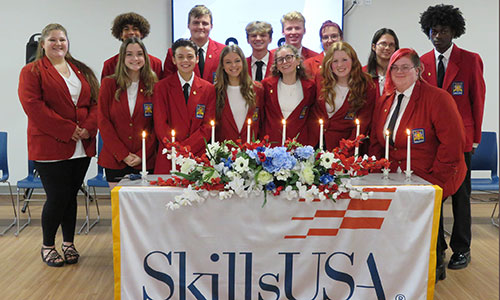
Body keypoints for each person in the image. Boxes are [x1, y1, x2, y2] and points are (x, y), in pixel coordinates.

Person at [368, 48, 467, 282]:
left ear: (418, 70)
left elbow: (452, 144)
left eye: (405, 67)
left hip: (429, 174)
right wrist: (375, 172)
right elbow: (375, 140)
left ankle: (435, 261)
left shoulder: (438, 98)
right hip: (393, 175)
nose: (399, 72)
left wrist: (435, 182)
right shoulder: (386, 100)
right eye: (395, 67)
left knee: (425, 223)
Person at [18, 23, 99, 267]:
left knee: (71, 195)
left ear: (68, 43)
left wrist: (88, 127)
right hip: (50, 144)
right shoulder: (31, 71)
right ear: (42, 44)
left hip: (80, 145)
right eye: (52, 40)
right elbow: (34, 107)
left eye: (62, 40)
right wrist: (68, 129)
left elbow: (95, 102)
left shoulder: (80, 70)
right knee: (57, 197)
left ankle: (69, 243)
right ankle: (48, 246)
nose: (58, 44)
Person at [419, 4, 486, 271]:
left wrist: (476, 137)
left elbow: (477, 100)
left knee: (461, 195)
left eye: (443, 31)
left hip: (462, 140)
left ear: (454, 31)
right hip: (432, 143)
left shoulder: (470, 60)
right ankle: (437, 250)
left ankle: (462, 249)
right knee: (434, 195)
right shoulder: (421, 62)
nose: (437, 36)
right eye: (433, 31)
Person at [98, 37, 158, 188]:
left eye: (139, 54)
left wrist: (141, 154)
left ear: (145, 57)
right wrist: (123, 154)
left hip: (145, 160)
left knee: (144, 209)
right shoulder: (109, 84)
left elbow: (156, 126)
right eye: (129, 54)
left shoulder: (155, 86)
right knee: (119, 210)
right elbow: (103, 122)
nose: (135, 58)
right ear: (122, 57)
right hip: (115, 159)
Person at [153, 39, 216, 173]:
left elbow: (207, 126)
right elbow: (160, 123)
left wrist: (186, 148)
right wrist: (175, 148)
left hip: (197, 154)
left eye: (190, 56)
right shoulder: (161, 87)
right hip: (170, 154)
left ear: (197, 59)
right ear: (174, 60)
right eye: (180, 57)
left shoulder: (208, 88)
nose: (185, 61)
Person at [309, 41, 376, 153]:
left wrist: (345, 149)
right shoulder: (321, 78)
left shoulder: (366, 84)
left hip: (345, 149)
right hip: (315, 143)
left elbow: (363, 123)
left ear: (353, 60)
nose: (340, 65)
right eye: (335, 61)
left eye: (344, 60)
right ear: (329, 63)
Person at [261, 44, 315, 145]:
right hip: (272, 146)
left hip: (299, 146)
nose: (284, 62)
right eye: (280, 59)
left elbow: (312, 117)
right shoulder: (267, 85)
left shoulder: (310, 87)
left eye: (289, 58)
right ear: (276, 65)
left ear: (298, 60)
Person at [162, 5, 225, 83]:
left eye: (205, 23)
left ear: (211, 26)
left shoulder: (223, 51)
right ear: (188, 26)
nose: (200, 27)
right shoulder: (173, 52)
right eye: (196, 23)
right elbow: (168, 84)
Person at [214, 45, 264, 142]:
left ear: (243, 63)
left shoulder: (257, 89)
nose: (233, 65)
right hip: (224, 152)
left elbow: (262, 122)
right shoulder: (215, 91)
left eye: (237, 61)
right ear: (223, 66)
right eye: (228, 62)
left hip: (250, 152)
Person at [101, 12, 163, 79]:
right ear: (121, 34)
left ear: (141, 33)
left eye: (135, 29)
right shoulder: (109, 65)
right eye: (126, 29)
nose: (131, 32)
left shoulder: (156, 63)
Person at [363, 28, 399, 99]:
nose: (387, 48)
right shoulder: (363, 73)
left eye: (391, 45)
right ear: (373, 47)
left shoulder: (400, 74)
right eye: (383, 44)